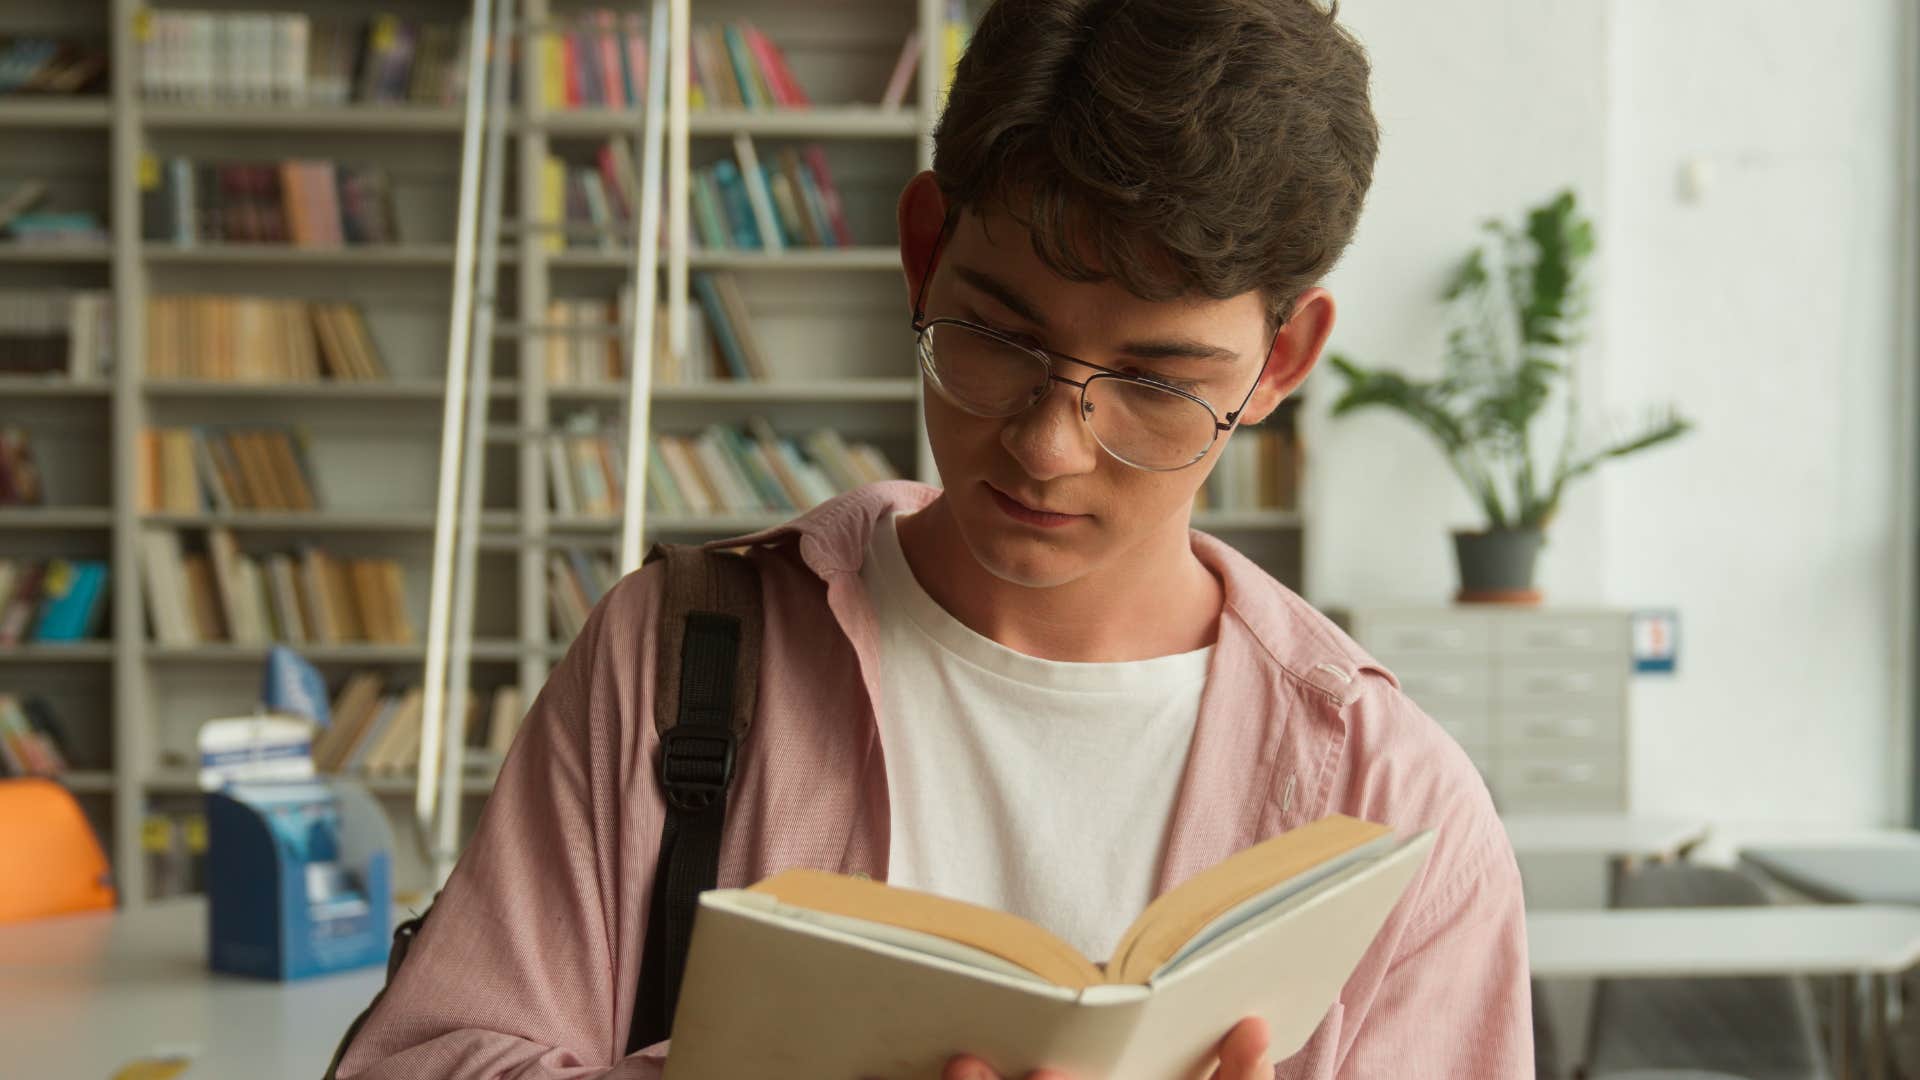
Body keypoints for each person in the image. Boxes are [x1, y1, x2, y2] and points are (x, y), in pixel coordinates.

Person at [335, 0, 1531, 1076]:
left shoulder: (1396, 812)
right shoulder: (678, 658)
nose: (1051, 448)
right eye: (999, 339)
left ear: (1280, 362)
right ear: (921, 253)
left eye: (1158, 384)